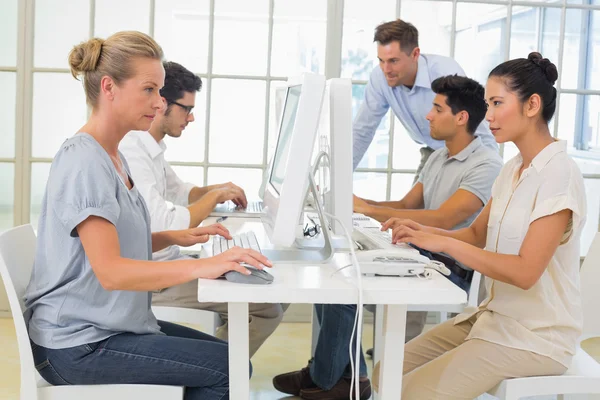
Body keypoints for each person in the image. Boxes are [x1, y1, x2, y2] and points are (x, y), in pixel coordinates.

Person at [23, 31, 271, 400]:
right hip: (78, 343)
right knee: (229, 369)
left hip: (105, 326)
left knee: (236, 363)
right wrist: (204, 266)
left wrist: (171, 238)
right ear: (109, 87)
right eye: (149, 90)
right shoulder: (85, 161)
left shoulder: (113, 154)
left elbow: (107, 243)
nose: (159, 104)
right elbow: (111, 271)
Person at [272, 75, 502, 400]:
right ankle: (343, 376)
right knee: (335, 271)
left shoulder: (487, 164)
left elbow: (444, 218)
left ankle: (329, 378)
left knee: (346, 288)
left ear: (461, 117)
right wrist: (360, 204)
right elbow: (409, 206)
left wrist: (364, 208)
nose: (428, 116)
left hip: (453, 270)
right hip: (421, 252)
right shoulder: (439, 156)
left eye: (437, 109)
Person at [372, 52, 586, 399]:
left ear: (532, 105)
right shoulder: (512, 169)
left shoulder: (559, 174)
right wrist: (421, 233)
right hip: (493, 317)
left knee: (412, 393)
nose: (488, 116)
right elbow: (474, 234)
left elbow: (525, 272)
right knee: (387, 370)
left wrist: (445, 244)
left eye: (498, 103)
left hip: (535, 336)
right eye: (487, 103)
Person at [120, 61, 287, 357]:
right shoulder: (133, 150)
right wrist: (214, 197)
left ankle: (213, 369)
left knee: (273, 287)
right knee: (268, 307)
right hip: (154, 280)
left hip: (166, 264)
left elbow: (183, 193)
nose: (192, 117)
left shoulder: (150, 149)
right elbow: (166, 223)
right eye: (186, 108)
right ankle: (213, 373)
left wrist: (216, 190)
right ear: (162, 105)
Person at [353, 19, 497, 181]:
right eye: (381, 60)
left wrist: (493, 179)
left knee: (458, 204)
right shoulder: (379, 78)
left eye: (393, 61)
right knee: (411, 206)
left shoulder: (445, 72)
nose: (386, 69)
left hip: (465, 154)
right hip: (432, 152)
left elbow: (479, 130)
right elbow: (362, 131)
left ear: (415, 54)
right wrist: (336, 179)